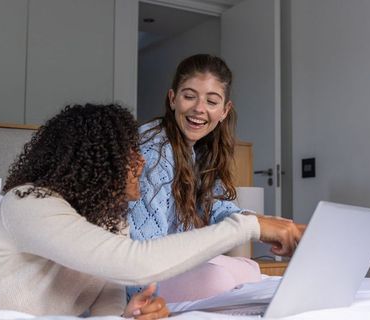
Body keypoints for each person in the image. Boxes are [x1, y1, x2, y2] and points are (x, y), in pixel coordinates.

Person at [0, 104, 302, 318]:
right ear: (98, 161)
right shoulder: (28, 202)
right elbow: (134, 263)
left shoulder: (109, 219)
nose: (143, 160)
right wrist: (247, 225)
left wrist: (128, 314)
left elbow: (106, 296)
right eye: (131, 152)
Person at [128, 54, 304, 301]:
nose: (199, 108)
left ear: (224, 111)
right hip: (141, 276)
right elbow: (142, 254)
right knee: (218, 279)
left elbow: (217, 207)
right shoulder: (153, 149)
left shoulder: (198, 149)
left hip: (174, 263)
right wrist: (142, 302)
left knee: (250, 269)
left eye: (211, 101)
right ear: (172, 100)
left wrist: (268, 225)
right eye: (189, 96)